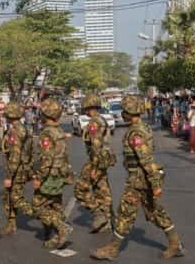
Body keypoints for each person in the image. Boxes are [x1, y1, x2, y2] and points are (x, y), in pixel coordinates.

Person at [91, 95, 185, 261]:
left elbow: (146, 160)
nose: (122, 114)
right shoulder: (143, 127)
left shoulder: (136, 132)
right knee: (155, 212)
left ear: (129, 112)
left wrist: (155, 184)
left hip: (139, 179)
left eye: (124, 111)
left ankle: (112, 249)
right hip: (143, 179)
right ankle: (175, 243)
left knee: (125, 213)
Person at [32, 98, 73, 249]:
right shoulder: (59, 131)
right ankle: (55, 234)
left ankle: (62, 228)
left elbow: (47, 159)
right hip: (59, 173)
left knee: (38, 208)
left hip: (49, 176)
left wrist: (38, 178)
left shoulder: (47, 134)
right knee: (56, 205)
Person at [74, 93, 116, 233]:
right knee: (102, 190)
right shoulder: (101, 119)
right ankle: (107, 221)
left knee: (80, 189)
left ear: (88, 107)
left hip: (96, 160)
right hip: (103, 160)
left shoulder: (94, 123)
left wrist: (95, 167)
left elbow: (96, 146)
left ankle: (99, 214)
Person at [0, 101, 35, 235]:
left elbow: (15, 156)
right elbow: (31, 151)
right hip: (24, 168)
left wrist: (9, 176)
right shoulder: (25, 128)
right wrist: (30, 169)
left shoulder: (14, 131)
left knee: (15, 198)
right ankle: (11, 223)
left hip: (17, 170)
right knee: (9, 197)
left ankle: (47, 217)